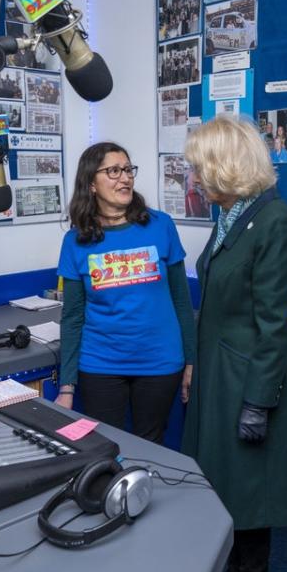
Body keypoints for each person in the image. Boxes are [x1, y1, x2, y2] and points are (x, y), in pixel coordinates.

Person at [182, 115, 287, 572]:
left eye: (198, 168)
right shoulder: (233, 214)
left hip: (249, 382)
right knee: (226, 494)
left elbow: (275, 323)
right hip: (220, 375)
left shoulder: (274, 220)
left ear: (223, 165)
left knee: (250, 498)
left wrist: (258, 402)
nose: (193, 179)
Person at [55, 142, 195, 446]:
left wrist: (191, 361)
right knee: (105, 447)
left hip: (160, 362)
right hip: (100, 364)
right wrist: (67, 387)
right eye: (114, 171)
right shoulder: (76, 241)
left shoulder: (160, 226)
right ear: (91, 183)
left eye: (128, 170)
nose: (126, 178)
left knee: (151, 445)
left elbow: (181, 299)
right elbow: (72, 316)